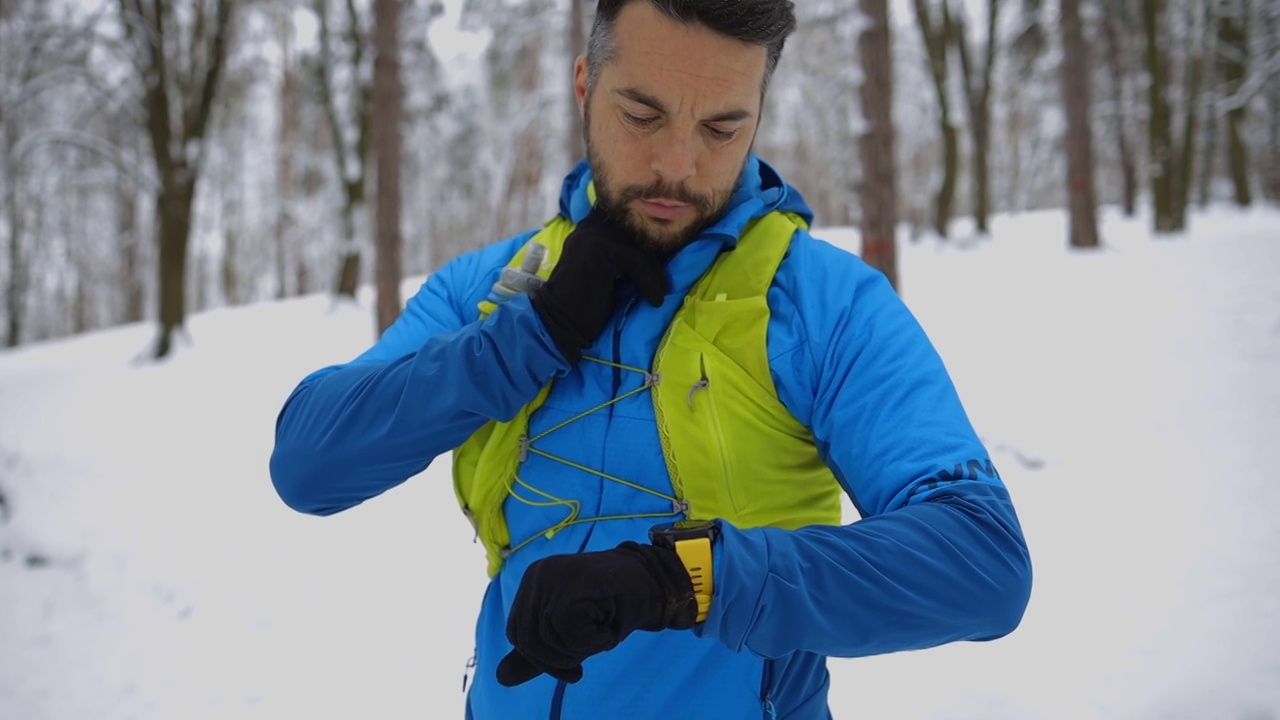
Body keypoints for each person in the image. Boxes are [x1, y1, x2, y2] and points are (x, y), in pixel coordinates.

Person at [269, 1, 1033, 717]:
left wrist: (682, 580)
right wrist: (529, 335)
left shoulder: (822, 304)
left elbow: (982, 562)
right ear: (584, 83)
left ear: (760, 112)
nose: (676, 164)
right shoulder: (494, 290)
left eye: (722, 129)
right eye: (643, 114)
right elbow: (310, 464)